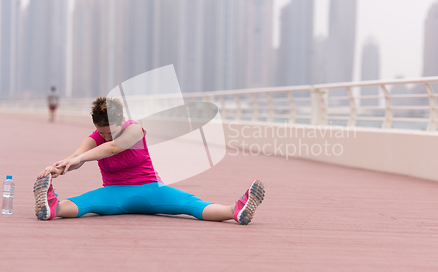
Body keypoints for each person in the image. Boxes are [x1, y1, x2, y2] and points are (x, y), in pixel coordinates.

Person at [34, 96, 265, 224]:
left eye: (110, 131)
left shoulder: (134, 130)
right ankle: (51, 207)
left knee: (193, 205)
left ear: (122, 119)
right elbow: (77, 155)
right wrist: (58, 166)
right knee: (84, 204)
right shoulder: (96, 136)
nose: (105, 136)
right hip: (115, 193)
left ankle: (235, 210)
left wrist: (82, 158)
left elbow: (113, 148)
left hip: (153, 190)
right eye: (101, 132)